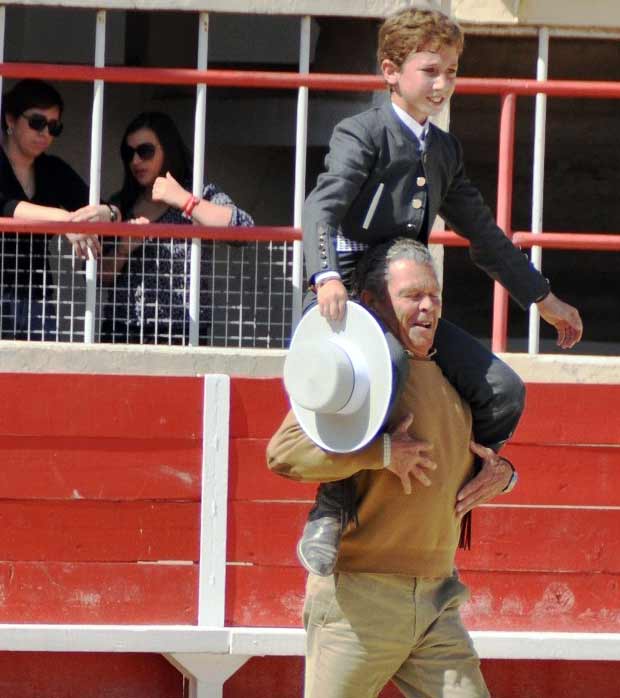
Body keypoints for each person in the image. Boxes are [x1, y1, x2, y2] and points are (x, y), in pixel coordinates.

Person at [297, 5, 582, 576]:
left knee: (503, 391)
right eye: (430, 70)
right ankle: (330, 508)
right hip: (346, 301)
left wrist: (541, 297)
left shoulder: (443, 150)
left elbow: (481, 232)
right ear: (390, 71)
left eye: (451, 71)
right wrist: (325, 275)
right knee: (390, 371)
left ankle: (466, 477)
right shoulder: (362, 132)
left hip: (407, 306)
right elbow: (321, 207)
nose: (442, 84)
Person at [268, 239, 514, 698]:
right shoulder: (360, 374)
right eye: (411, 296)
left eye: (434, 297)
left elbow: (477, 458)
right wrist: (381, 453)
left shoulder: (456, 379)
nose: (427, 308)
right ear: (374, 302)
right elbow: (283, 451)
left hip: (439, 598)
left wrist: (505, 475)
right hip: (359, 602)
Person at [99, 111, 254, 344]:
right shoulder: (120, 204)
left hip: (183, 330)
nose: (136, 161)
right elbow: (97, 276)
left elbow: (245, 230)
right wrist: (122, 250)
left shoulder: (198, 194)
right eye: (128, 153)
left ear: (167, 149)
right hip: (124, 329)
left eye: (145, 151)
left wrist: (185, 201)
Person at [0, 78, 107, 340]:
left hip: (35, 296)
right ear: (11, 120)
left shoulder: (52, 169)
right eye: (37, 122)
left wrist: (108, 213)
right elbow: (7, 206)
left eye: (53, 127)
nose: (45, 133)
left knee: (35, 378)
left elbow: (96, 204)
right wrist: (67, 222)